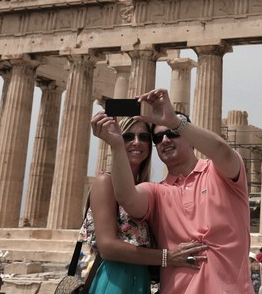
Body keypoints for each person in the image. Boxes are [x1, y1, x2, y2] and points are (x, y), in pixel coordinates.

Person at [91, 88, 253, 293]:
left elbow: (222, 150)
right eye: (158, 138)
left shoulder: (222, 175)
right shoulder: (157, 191)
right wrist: (116, 146)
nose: (165, 140)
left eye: (172, 133)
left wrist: (174, 121)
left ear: (189, 137)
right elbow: (126, 197)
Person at [88, 116, 207, 293]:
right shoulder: (106, 182)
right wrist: (168, 257)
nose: (137, 142)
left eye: (144, 137)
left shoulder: (147, 190)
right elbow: (107, 247)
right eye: (128, 137)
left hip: (142, 279)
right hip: (115, 278)